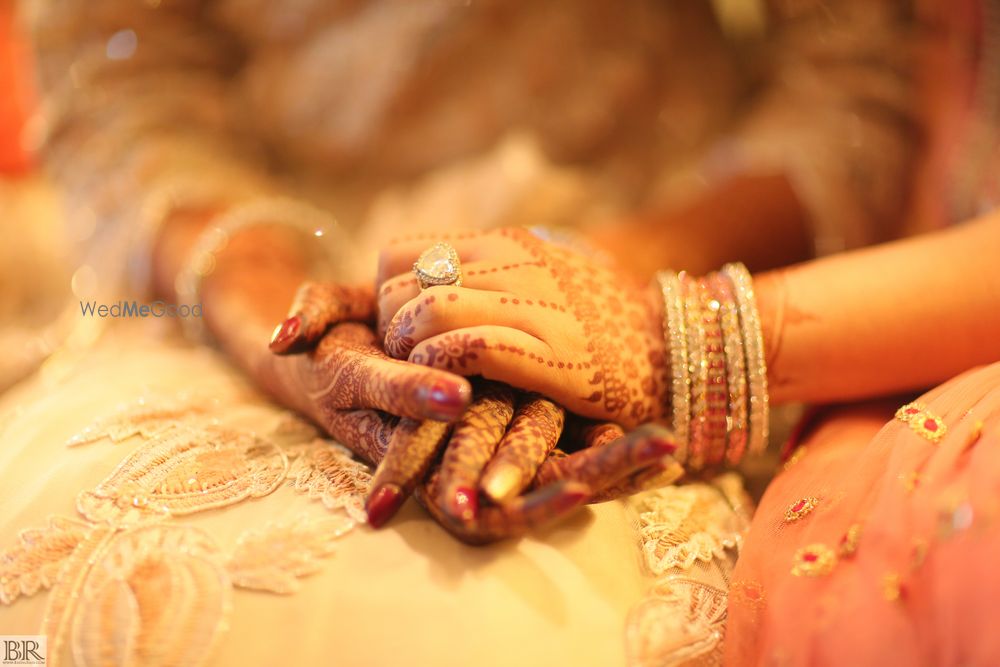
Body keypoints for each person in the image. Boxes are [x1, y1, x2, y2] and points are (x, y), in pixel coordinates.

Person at [3, 0, 994, 664]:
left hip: (656, 248)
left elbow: (849, 82)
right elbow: (122, 86)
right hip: (247, 280)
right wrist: (284, 324)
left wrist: (580, 286)